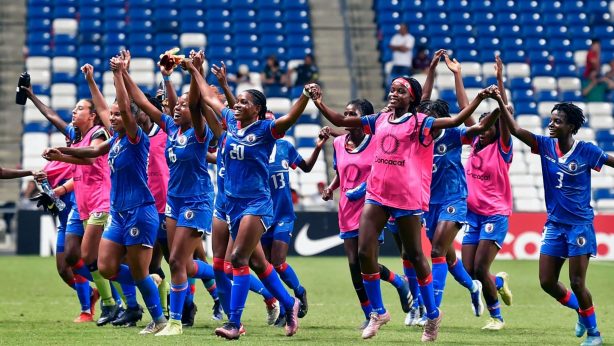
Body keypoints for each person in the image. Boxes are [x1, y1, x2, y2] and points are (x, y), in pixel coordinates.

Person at [307, 77, 498, 341]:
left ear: (412, 99)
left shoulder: (421, 123)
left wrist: (480, 99)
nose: (394, 93)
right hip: (377, 194)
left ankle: (432, 314)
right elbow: (340, 122)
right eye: (393, 89)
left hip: (407, 197)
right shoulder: (380, 119)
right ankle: (379, 313)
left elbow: (454, 122)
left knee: (417, 256)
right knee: (364, 251)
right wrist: (318, 101)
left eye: (401, 91)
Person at [43, 56, 168, 334]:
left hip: (140, 210)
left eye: (116, 115)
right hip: (119, 213)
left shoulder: (136, 138)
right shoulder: (116, 139)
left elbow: (124, 104)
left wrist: (120, 75)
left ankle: (159, 320)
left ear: (131, 117)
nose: (111, 117)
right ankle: (150, 282)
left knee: (137, 270)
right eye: (109, 115)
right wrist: (61, 153)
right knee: (105, 266)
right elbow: (92, 151)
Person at [201, 70, 314, 339]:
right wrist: (195, 70)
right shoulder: (231, 121)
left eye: (244, 102)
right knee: (258, 264)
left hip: (257, 204)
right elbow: (209, 99)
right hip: (231, 205)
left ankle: (234, 323)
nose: (236, 105)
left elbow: (289, 119)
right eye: (236, 102)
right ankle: (289, 304)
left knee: (238, 259)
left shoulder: (266, 131)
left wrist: (305, 96)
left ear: (258, 110)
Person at [499, 99, 612, 346]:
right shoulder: (545, 145)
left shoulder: (587, 151)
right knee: (547, 282)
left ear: (571, 127)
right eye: (550, 120)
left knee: (577, 282)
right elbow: (517, 131)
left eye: (557, 121)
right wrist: (500, 102)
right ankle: (582, 312)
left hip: (579, 226)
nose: (551, 125)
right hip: (554, 225)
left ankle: (595, 334)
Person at [120, 51, 216, 336]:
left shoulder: (200, 132)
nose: (177, 108)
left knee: (175, 261)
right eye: (177, 105)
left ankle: (174, 322)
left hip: (197, 200)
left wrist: (194, 70)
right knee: (181, 262)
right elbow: (140, 102)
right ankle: (218, 290)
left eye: (184, 106)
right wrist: (125, 73)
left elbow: (197, 102)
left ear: (194, 111)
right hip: (174, 201)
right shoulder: (172, 128)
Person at [25, 75, 120, 326]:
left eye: (80, 108)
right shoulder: (76, 136)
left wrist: (62, 156)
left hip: (98, 201)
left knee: (96, 260)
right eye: (75, 108)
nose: (74, 112)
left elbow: (90, 159)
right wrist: (32, 96)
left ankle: (119, 300)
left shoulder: (99, 133)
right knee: (71, 258)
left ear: (92, 116)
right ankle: (105, 300)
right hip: (80, 203)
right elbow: (53, 118)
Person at [318, 99, 411, 330]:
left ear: (364, 118)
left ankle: (379, 308)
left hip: (371, 208)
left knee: (364, 260)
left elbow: (384, 170)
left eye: (353, 113)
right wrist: (331, 188)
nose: (348, 116)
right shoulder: (339, 143)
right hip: (346, 209)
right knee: (353, 265)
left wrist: (361, 189)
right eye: (345, 112)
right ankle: (378, 303)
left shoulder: (378, 141)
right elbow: (342, 173)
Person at [461, 56, 514, 331]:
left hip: (495, 213)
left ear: (496, 130)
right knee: (469, 271)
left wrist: (499, 81)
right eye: (480, 127)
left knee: (481, 267)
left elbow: (506, 117)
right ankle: (500, 282)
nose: (482, 131)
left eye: (488, 127)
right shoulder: (473, 143)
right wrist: (458, 75)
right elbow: (463, 108)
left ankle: (497, 318)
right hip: (472, 215)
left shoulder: (502, 148)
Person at [261, 117, 330, 324]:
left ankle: (299, 291)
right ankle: (285, 307)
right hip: (262, 215)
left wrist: (318, 147)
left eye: (274, 121)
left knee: (279, 262)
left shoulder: (285, 147)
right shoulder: (254, 150)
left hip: (283, 215)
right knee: (266, 267)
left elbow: (307, 168)